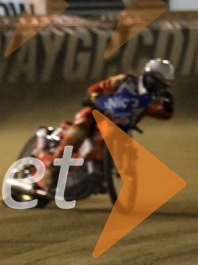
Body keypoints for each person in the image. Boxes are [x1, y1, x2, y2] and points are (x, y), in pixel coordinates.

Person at [43, 58, 175, 192]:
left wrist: (169, 106)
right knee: (78, 131)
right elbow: (97, 88)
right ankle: (52, 170)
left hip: (121, 127)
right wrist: (94, 97)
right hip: (96, 114)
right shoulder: (124, 81)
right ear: (148, 76)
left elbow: (162, 114)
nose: (157, 87)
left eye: (161, 85)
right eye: (156, 82)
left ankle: (102, 174)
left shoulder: (151, 100)